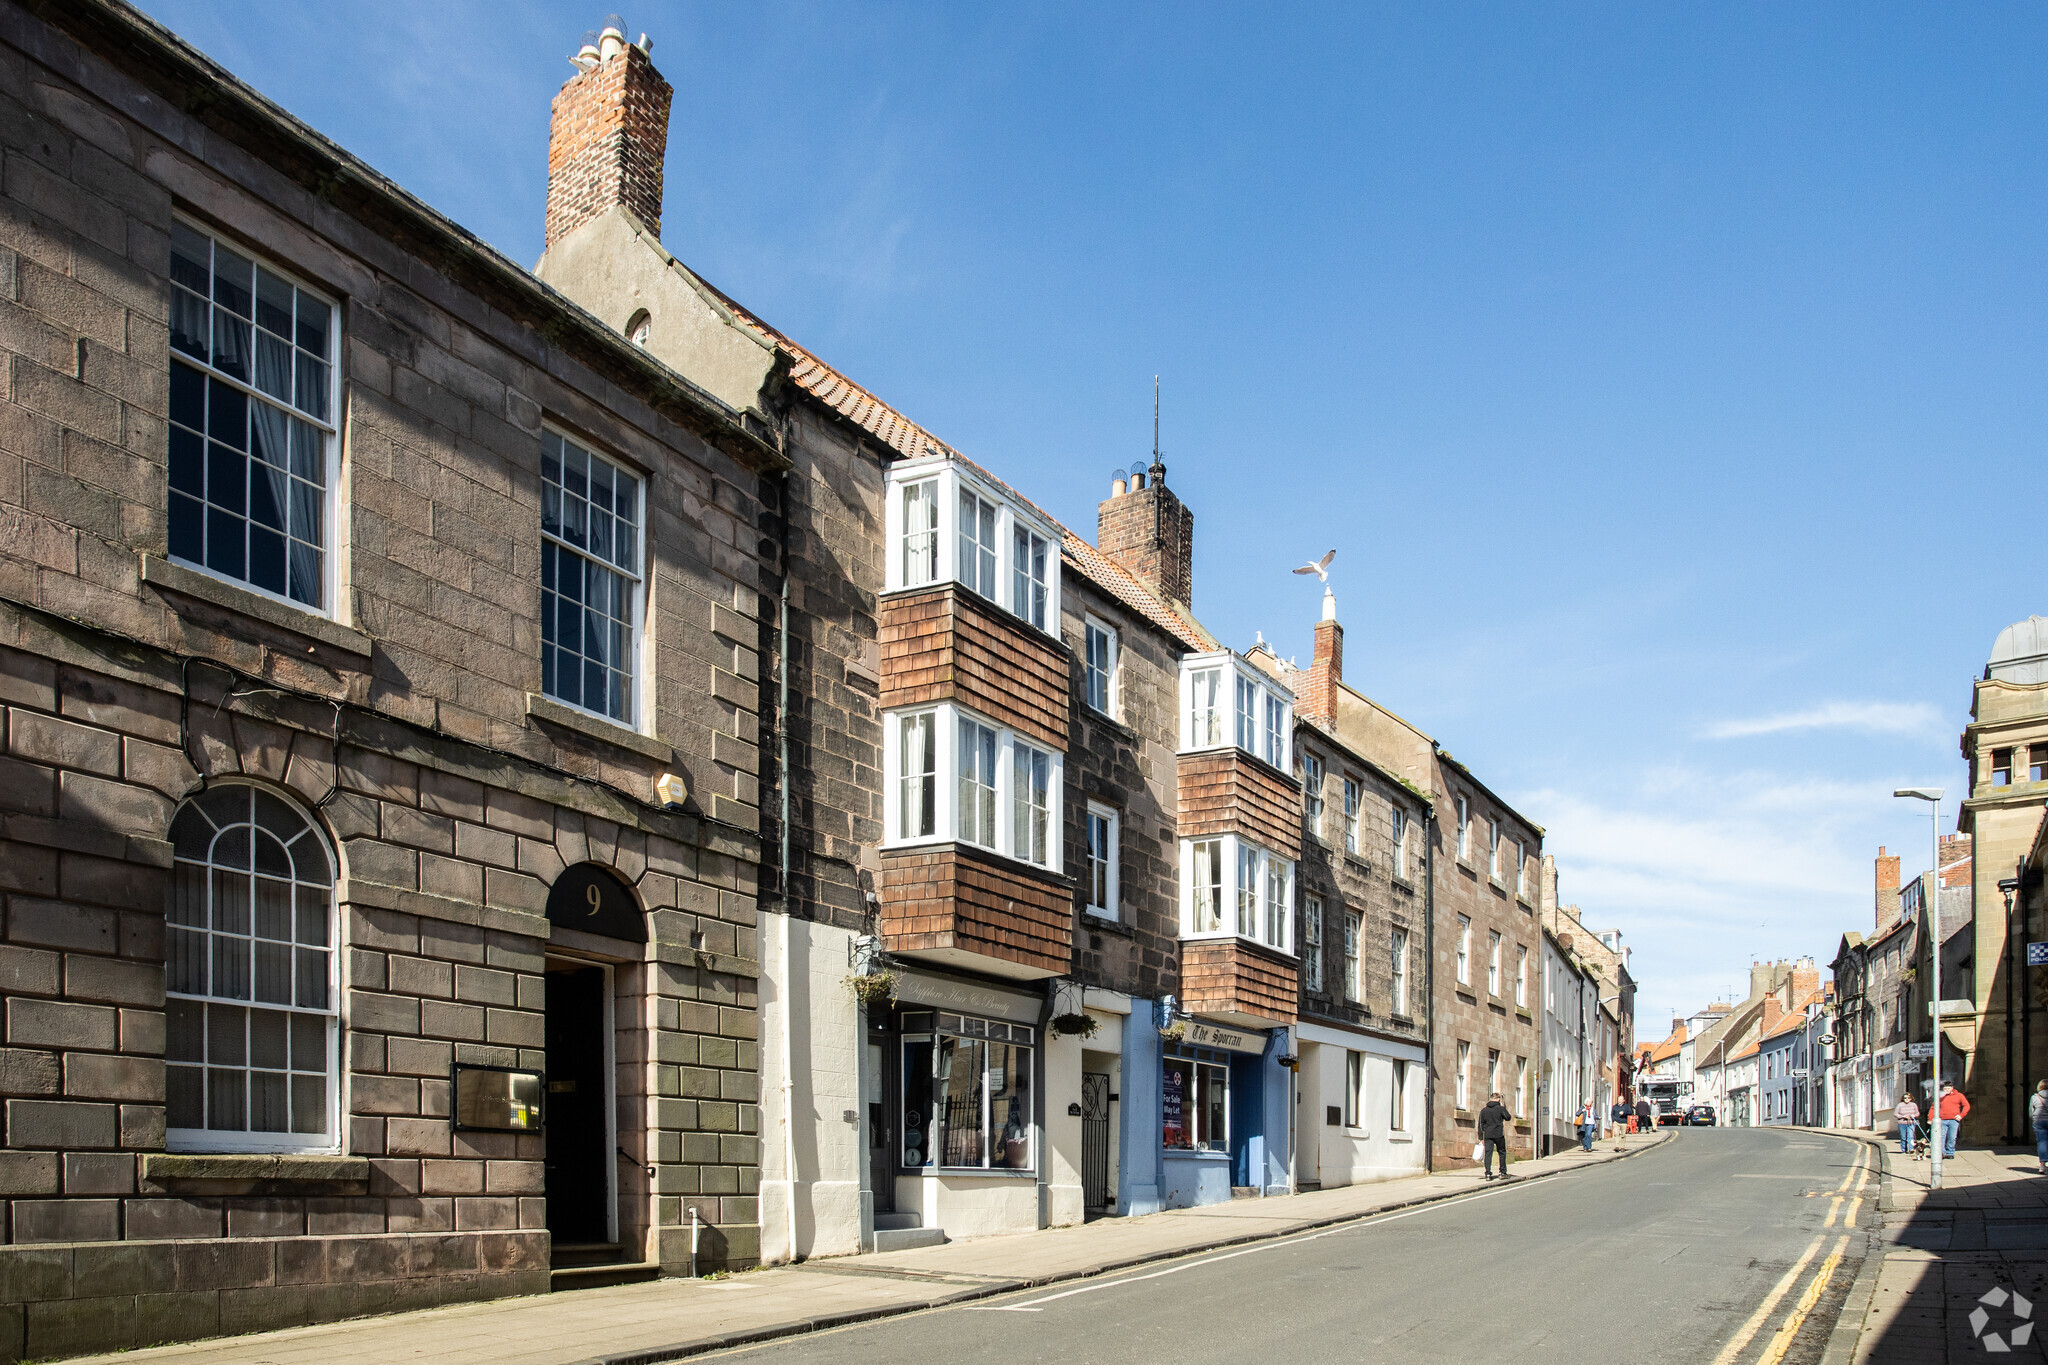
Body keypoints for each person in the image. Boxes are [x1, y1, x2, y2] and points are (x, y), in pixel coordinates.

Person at [1478, 1091, 1512, 1180]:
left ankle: (1488, 1173)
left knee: (1488, 1153)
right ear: (1498, 1099)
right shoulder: (1500, 1109)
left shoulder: (1484, 1110)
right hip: (1498, 1134)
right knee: (1502, 1152)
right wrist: (1504, 1107)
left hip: (1488, 1134)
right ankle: (1502, 1172)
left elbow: (1480, 1124)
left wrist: (1481, 1137)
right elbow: (1508, 1117)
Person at [1937, 1082, 1970, 1157]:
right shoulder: (1940, 1096)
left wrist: (1961, 1115)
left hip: (1954, 1120)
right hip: (1942, 1120)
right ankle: (1942, 1153)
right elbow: (1934, 1107)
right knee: (1941, 1137)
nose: (1946, 1090)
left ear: (1952, 1088)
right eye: (1945, 1088)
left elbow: (1966, 1105)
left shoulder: (1959, 1096)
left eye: (1948, 1088)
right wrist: (1931, 1118)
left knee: (1952, 1137)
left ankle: (1950, 1153)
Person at [1893, 1092, 1921, 1157]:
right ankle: (1904, 1150)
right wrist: (1903, 1116)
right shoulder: (1900, 1105)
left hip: (1911, 1123)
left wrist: (1913, 1115)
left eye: (1908, 1098)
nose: (1907, 1099)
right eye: (1905, 1098)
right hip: (1902, 1123)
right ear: (1903, 1098)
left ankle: (1911, 1149)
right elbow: (1895, 1114)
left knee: (1910, 1136)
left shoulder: (1914, 1105)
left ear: (1911, 1098)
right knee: (1903, 1137)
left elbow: (1917, 1113)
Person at [2030, 1081, 2048, 1175]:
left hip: (2039, 1122)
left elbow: (2031, 1112)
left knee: (2042, 1142)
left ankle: (2042, 1165)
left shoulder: (2035, 1097)